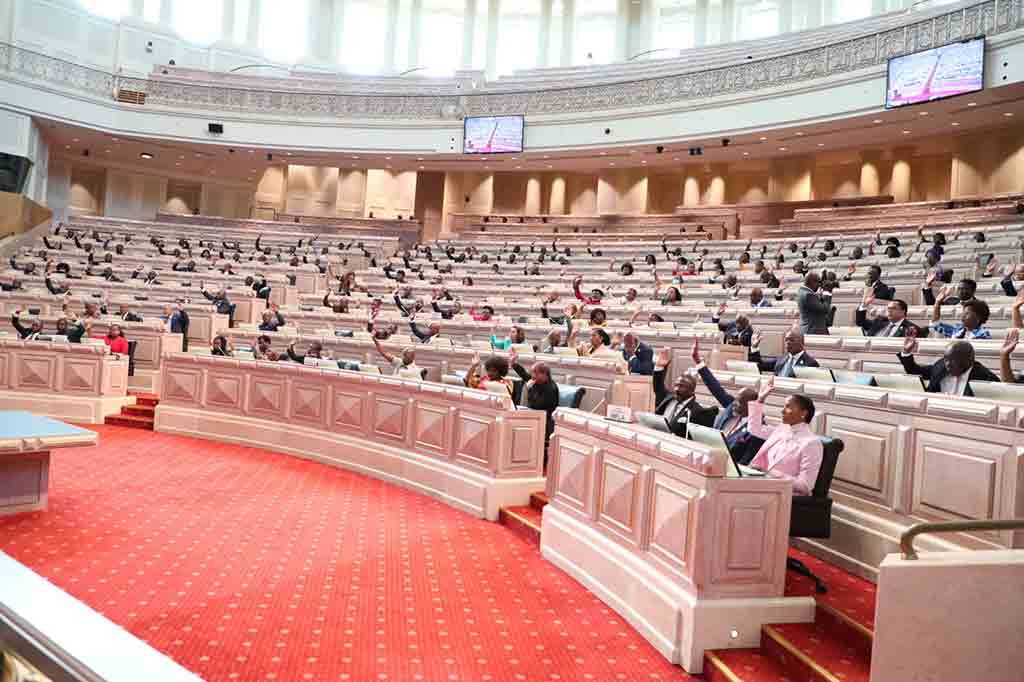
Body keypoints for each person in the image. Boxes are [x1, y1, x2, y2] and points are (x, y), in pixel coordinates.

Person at [744, 377, 823, 496]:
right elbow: (754, 429)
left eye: (788, 407)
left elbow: (805, 486)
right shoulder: (782, 429)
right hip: (762, 486)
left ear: (803, 413)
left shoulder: (811, 443)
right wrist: (760, 399)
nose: (782, 411)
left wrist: (769, 473)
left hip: (783, 496)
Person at [691, 340, 764, 465]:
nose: (734, 404)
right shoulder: (732, 406)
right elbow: (715, 388)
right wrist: (698, 362)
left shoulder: (757, 428)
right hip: (708, 457)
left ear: (751, 407)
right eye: (735, 400)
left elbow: (748, 458)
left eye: (739, 402)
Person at [898, 334, 1000, 395]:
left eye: (953, 360)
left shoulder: (986, 378)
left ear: (969, 360)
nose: (947, 364)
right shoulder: (941, 366)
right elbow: (915, 371)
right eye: (946, 359)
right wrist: (906, 353)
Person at [651, 348, 717, 438]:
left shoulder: (698, 412)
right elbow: (658, 386)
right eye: (676, 385)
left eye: (681, 386)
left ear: (692, 390)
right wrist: (659, 367)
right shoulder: (668, 399)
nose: (677, 389)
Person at [507, 350, 559, 462]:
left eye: (535, 373)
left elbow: (537, 405)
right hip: (534, 416)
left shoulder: (550, 388)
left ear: (544, 374)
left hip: (545, 420)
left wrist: (529, 390)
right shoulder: (538, 382)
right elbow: (525, 375)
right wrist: (514, 364)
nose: (532, 376)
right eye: (533, 373)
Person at [748, 328, 820, 377]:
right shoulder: (781, 359)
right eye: (786, 340)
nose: (788, 343)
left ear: (802, 342)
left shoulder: (811, 363)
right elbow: (759, 366)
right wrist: (754, 348)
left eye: (791, 340)